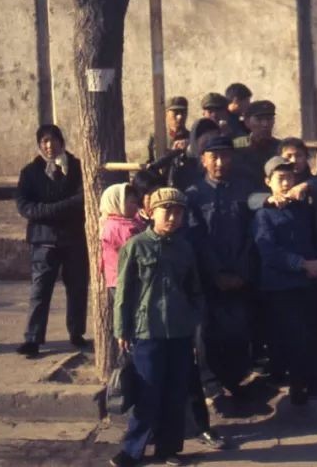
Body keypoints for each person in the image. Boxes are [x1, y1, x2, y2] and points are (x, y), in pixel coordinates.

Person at [111, 188, 202, 467]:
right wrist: (121, 330)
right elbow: (123, 292)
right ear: (151, 213)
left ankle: (168, 448)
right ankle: (132, 450)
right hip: (146, 332)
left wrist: (194, 324)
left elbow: (195, 290)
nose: (173, 218)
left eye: (178, 212)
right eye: (167, 211)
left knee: (175, 393)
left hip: (179, 332)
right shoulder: (136, 246)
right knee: (147, 393)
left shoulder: (185, 248)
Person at [253, 156, 317, 405]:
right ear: (268, 182)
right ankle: (296, 387)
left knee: (311, 335)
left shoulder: (306, 209)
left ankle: (313, 383)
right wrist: (301, 264)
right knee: (289, 338)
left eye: (290, 177)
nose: (286, 183)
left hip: (308, 282)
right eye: (280, 178)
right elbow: (268, 250)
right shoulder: (264, 214)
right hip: (280, 285)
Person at [185, 136, 256, 401]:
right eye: (213, 157)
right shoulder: (193, 195)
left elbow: (253, 233)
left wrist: (240, 272)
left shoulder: (245, 190)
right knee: (206, 332)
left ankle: (236, 380)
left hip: (240, 274)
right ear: (203, 160)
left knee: (238, 329)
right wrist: (216, 274)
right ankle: (210, 383)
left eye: (225, 156)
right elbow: (196, 238)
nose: (219, 162)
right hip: (208, 278)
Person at [15, 124, 89, 359]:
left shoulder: (77, 168)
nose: (49, 146)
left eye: (53, 140)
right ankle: (33, 338)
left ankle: (76, 333)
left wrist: (47, 210)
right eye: (44, 141)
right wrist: (58, 209)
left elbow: (82, 199)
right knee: (39, 290)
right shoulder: (30, 173)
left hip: (74, 239)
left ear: (61, 141)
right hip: (43, 242)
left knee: (77, 289)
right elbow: (25, 206)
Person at [100, 183, 144, 311]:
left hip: (133, 277)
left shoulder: (132, 221)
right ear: (116, 203)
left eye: (136, 203)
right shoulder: (114, 226)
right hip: (122, 279)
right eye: (131, 203)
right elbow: (133, 248)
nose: (136, 207)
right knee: (129, 312)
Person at [232, 100, 281, 190]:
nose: (265, 124)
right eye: (259, 119)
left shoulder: (280, 148)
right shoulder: (236, 146)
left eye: (269, 119)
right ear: (247, 122)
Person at [148, 97, 190, 162]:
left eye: (183, 112)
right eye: (176, 113)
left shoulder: (192, 138)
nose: (180, 117)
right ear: (166, 114)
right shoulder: (156, 138)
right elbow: (150, 162)